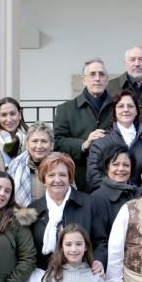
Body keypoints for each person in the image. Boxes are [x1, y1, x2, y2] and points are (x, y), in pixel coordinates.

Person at [28, 152, 103, 272]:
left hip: (82, 273)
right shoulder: (33, 210)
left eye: (62, 175)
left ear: (70, 178)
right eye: (51, 175)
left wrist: (99, 260)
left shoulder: (89, 204)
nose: (57, 180)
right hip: (44, 277)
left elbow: (101, 242)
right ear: (44, 179)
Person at [53, 58, 114, 190]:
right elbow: (58, 142)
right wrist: (84, 144)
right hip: (78, 180)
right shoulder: (66, 109)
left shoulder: (119, 107)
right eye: (92, 74)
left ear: (107, 79)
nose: (97, 78)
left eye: (101, 74)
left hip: (112, 180)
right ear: (83, 80)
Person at [86, 90, 142, 191]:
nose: (126, 110)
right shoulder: (100, 140)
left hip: (141, 201)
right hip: (109, 200)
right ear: (114, 111)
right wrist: (119, 194)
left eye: (130, 106)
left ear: (136, 111)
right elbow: (94, 177)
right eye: (121, 106)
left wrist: (136, 195)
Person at [89, 145, 142, 269]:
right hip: (112, 266)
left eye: (126, 165)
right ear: (107, 167)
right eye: (116, 164)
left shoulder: (138, 194)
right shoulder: (97, 198)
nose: (121, 169)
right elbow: (99, 242)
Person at [7, 122, 54, 207]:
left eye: (44, 141)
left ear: (51, 145)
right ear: (27, 144)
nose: (39, 146)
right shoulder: (14, 166)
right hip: (21, 218)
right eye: (34, 141)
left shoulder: (61, 165)